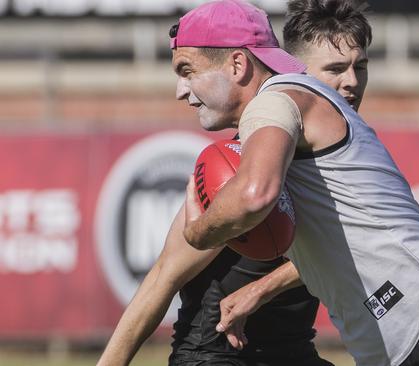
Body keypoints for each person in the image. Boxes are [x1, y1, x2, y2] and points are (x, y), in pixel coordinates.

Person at [175, 0, 419, 365]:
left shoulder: (276, 99)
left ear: (237, 64)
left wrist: (198, 232)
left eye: (189, 71)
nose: (182, 91)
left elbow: (254, 195)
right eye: (337, 68)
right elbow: (347, 235)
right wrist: (261, 289)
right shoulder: (300, 120)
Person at [96, 1, 372, 365]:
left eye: (360, 67)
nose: (350, 82)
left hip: (293, 353)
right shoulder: (237, 163)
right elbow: (163, 278)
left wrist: (261, 289)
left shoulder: (344, 157)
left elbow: (355, 246)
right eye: (335, 69)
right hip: (218, 356)